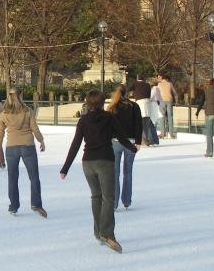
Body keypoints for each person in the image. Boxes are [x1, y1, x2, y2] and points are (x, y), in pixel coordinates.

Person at [60, 90, 138, 254]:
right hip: (105, 161)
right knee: (108, 198)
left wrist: (65, 168)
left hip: (87, 163)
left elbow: (75, 144)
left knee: (96, 196)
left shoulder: (83, 120)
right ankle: (107, 233)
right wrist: (132, 148)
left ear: (88, 103)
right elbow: (122, 138)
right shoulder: (109, 118)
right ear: (103, 103)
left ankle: (98, 232)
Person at [0, 87, 46, 217]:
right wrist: (41, 140)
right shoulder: (27, 111)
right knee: (34, 177)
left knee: (12, 178)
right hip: (27, 145)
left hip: (11, 147)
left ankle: (13, 206)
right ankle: (36, 204)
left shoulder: (4, 113)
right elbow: (35, 128)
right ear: (20, 96)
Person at [106, 84, 142, 210]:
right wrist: (138, 142)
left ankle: (114, 202)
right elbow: (139, 125)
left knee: (114, 173)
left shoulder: (112, 107)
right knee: (128, 172)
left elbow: (107, 127)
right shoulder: (134, 106)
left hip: (115, 143)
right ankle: (126, 201)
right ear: (128, 93)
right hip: (131, 143)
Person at [129, 75, 153, 146]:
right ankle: (149, 140)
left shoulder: (135, 84)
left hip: (140, 104)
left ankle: (144, 141)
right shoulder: (148, 85)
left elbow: (128, 89)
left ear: (137, 79)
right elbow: (149, 94)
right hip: (148, 104)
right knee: (146, 124)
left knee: (140, 124)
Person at [157, 73, 179, 139]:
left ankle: (162, 133)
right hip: (169, 101)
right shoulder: (170, 84)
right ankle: (171, 134)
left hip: (162, 101)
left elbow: (157, 94)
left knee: (162, 117)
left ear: (162, 78)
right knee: (170, 117)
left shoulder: (159, 84)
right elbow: (175, 94)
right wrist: (177, 102)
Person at [148, 79, 162, 145]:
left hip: (152, 105)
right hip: (156, 105)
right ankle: (155, 140)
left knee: (151, 124)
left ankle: (154, 140)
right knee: (153, 124)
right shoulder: (158, 89)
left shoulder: (154, 89)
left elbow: (151, 97)